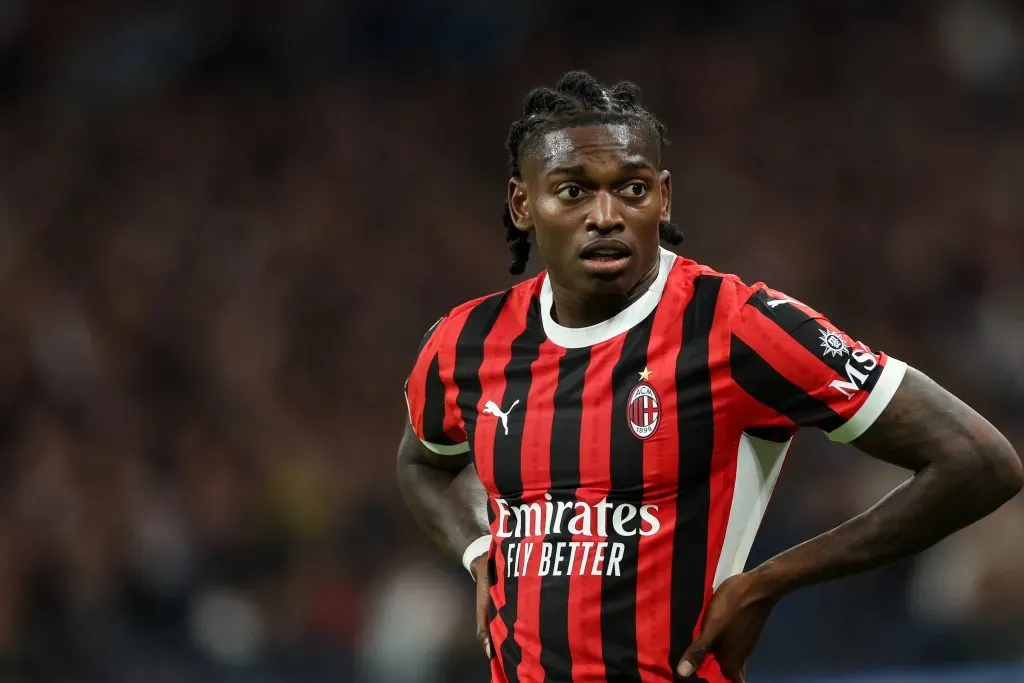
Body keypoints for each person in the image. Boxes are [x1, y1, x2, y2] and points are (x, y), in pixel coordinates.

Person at [396, 70, 1023, 683]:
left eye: (633, 189)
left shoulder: (737, 326)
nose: (607, 215)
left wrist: (769, 582)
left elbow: (979, 462)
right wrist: (479, 550)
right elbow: (424, 462)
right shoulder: (466, 344)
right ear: (522, 204)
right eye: (573, 191)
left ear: (663, 197)